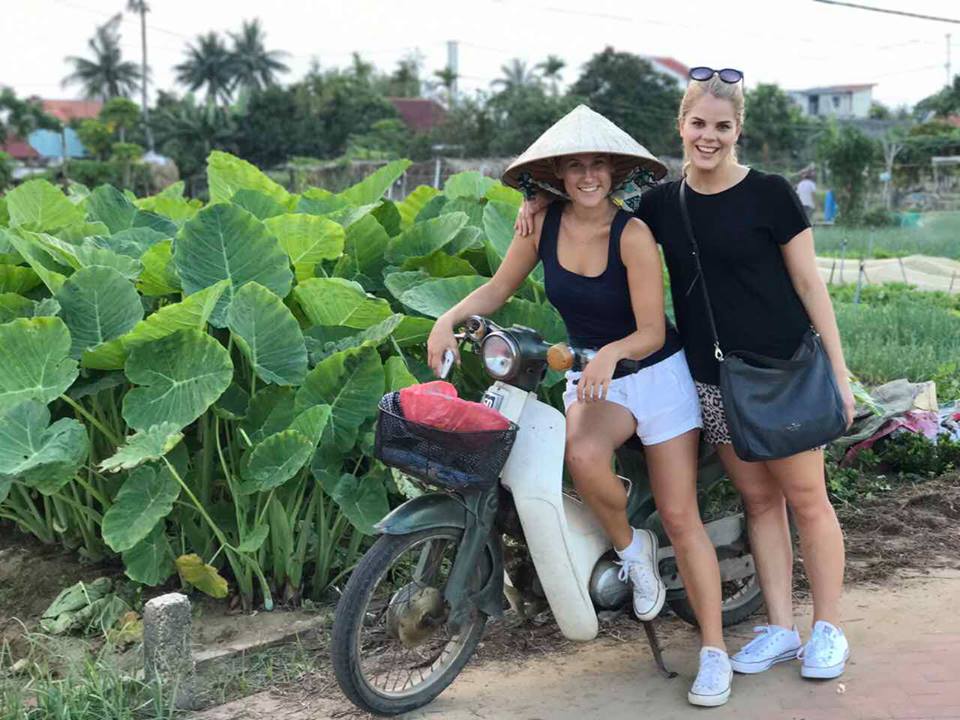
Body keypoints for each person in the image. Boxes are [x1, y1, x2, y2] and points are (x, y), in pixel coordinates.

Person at [518, 70, 856, 682]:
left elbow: (809, 284)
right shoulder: (660, 204)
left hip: (781, 369)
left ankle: (827, 627)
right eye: (698, 124)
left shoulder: (772, 194)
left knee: (807, 499)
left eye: (722, 126)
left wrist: (837, 367)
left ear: (738, 131)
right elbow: (593, 207)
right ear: (681, 126)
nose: (709, 136)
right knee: (758, 501)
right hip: (710, 376)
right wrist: (537, 199)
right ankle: (780, 628)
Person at [428, 105, 734, 707]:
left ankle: (715, 653)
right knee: (584, 456)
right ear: (559, 176)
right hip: (597, 381)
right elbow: (497, 288)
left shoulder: (635, 234)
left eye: (598, 165)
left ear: (614, 173)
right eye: (575, 166)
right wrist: (447, 318)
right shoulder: (541, 225)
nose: (588, 176)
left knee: (679, 515)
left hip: (652, 374)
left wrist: (609, 355)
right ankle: (630, 551)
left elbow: (650, 330)